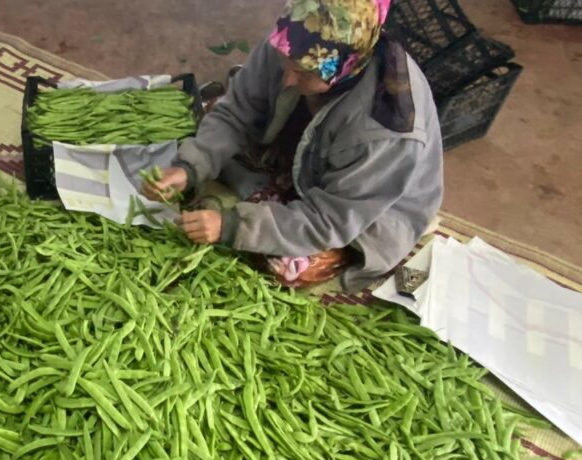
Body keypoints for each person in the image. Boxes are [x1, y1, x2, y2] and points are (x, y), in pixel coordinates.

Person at [145, 0, 443, 291]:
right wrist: (189, 168)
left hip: (364, 210)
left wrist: (233, 226)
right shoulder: (295, 42)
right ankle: (276, 189)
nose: (288, 78)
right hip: (305, 153)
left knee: (288, 266)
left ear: (343, 68)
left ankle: (288, 210)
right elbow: (236, 111)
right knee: (211, 115)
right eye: (287, 63)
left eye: (303, 73)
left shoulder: (386, 128)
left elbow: (330, 220)